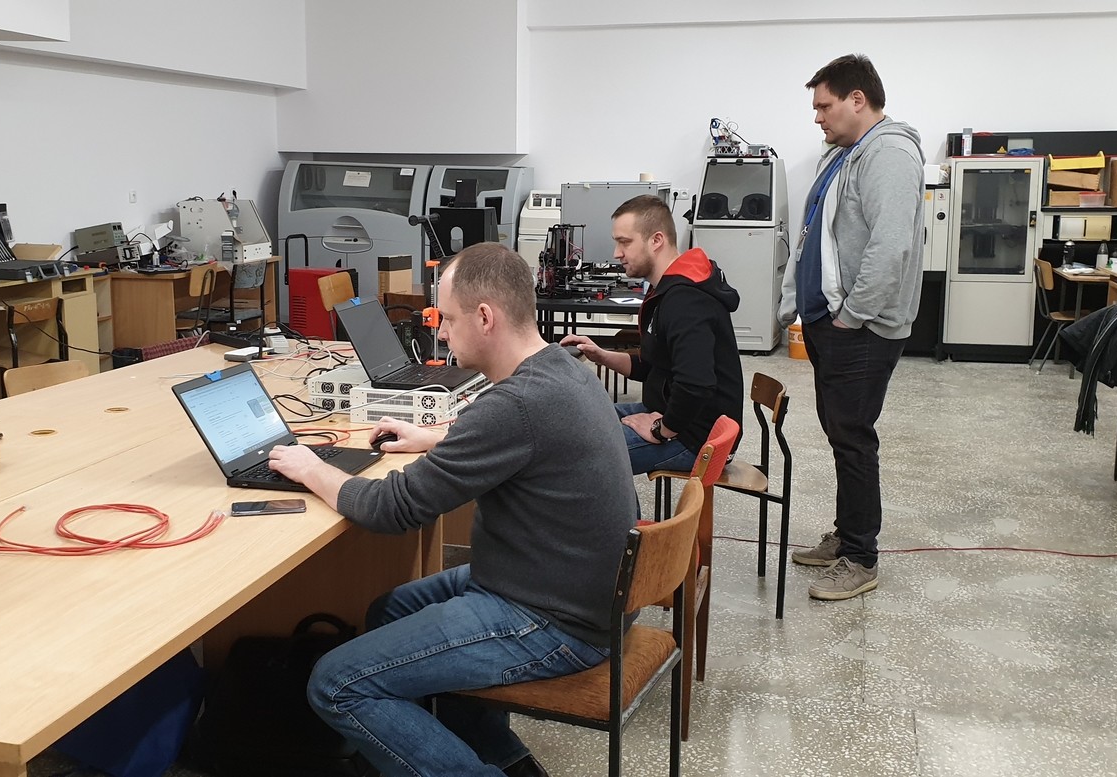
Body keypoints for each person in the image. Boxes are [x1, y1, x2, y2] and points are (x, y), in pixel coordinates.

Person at [268, 242, 637, 777]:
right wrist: (437, 438)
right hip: (574, 588)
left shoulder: (515, 406)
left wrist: (312, 468)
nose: (441, 333)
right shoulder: (561, 368)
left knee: (335, 683)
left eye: (449, 319)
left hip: (555, 621)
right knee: (389, 609)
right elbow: (516, 440)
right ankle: (499, 757)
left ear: (485, 317)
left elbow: (393, 508)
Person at [778, 53, 924, 601]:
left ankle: (862, 557)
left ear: (857, 99)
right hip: (831, 322)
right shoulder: (845, 155)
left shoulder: (888, 154)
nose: (817, 116)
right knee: (842, 434)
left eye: (824, 105)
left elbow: (891, 246)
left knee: (854, 437)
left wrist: (852, 315)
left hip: (859, 329)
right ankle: (847, 535)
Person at [561, 194, 744, 476]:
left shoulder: (686, 301)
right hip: (669, 414)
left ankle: (618, 508)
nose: (616, 253)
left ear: (656, 240)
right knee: (573, 424)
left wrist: (661, 430)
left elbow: (696, 384)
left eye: (624, 242)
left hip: (695, 438)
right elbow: (652, 365)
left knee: (569, 457)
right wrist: (602, 355)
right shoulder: (666, 291)